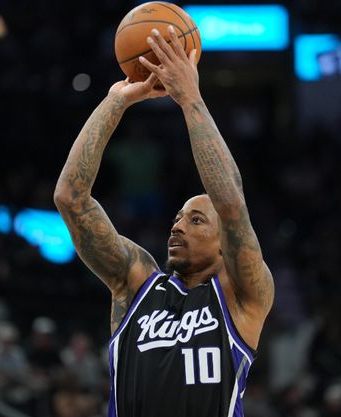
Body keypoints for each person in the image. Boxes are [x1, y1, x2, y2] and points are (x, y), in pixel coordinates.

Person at [53, 25, 274, 417]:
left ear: (224, 244)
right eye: (177, 218)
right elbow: (70, 198)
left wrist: (190, 98)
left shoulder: (241, 296)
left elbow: (231, 204)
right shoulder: (136, 283)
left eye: (196, 220)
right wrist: (114, 103)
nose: (178, 226)